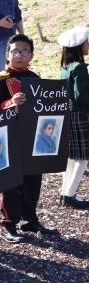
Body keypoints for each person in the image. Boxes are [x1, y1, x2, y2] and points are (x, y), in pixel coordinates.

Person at [0, 34, 58, 243]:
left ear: (31, 55)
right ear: (7, 54)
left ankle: (29, 219)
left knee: (33, 180)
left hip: (33, 138)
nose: (19, 55)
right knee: (10, 181)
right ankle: (8, 224)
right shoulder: (0, 80)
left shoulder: (35, 78)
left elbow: (45, 108)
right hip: (10, 137)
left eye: (24, 51)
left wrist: (62, 107)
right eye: (15, 51)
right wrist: (11, 103)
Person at [58, 26, 89, 209]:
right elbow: (81, 96)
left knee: (71, 157)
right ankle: (70, 195)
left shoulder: (66, 67)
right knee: (83, 158)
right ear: (79, 45)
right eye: (86, 42)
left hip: (69, 115)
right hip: (81, 115)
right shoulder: (79, 68)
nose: (88, 45)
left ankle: (65, 192)